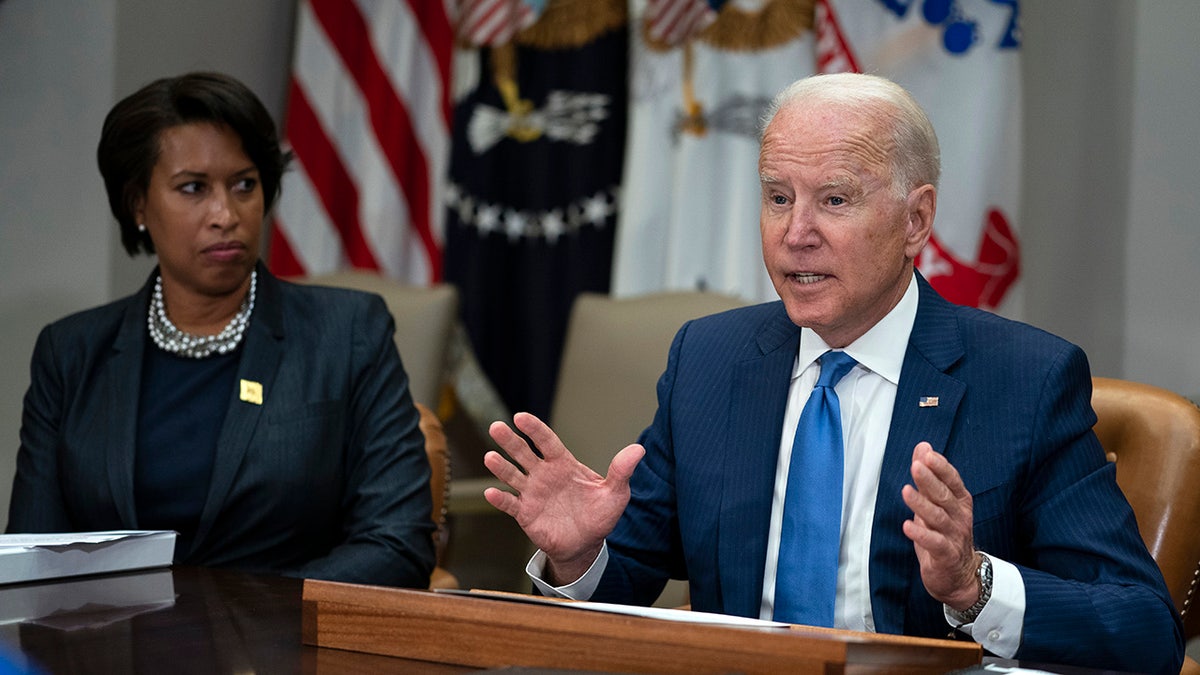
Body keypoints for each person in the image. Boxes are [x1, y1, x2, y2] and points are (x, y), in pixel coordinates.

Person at [483, 73, 1184, 672]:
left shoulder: (1025, 380)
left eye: (835, 200)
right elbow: (626, 581)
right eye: (779, 196)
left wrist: (974, 586)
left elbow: (1146, 630)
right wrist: (580, 555)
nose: (796, 233)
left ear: (916, 220)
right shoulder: (711, 359)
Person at [7, 72, 435, 588]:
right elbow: (32, 561)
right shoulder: (71, 353)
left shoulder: (346, 334)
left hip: (284, 653)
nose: (225, 215)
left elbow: (398, 542)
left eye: (244, 185)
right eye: (193, 188)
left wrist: (252, 630)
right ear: (138, 204)